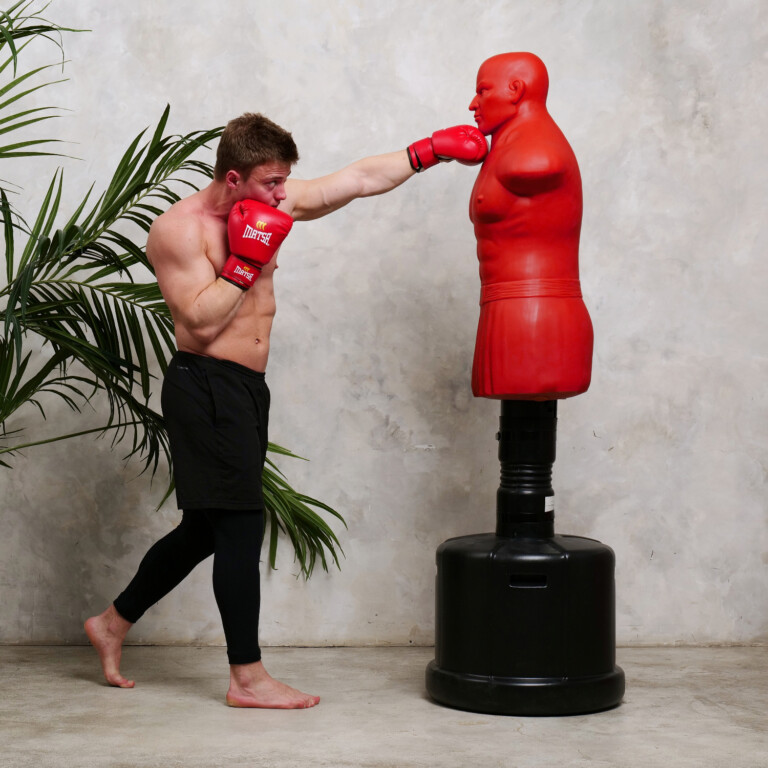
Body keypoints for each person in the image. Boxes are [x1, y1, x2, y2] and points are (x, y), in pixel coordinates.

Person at [84, 113, 487, 709]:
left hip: (247, 388)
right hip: (205, 386)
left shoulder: (269, 201)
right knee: (241, 526)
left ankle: (112, 623)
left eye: (284, 182)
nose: (282, 195)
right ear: (234, 177)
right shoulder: (178, 230)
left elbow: (354, 180)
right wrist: (245, 262)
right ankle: (246, 678)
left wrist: (428, 151)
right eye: (272, 183)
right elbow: (198, 321)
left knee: (206, 529)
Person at [468, 52, 593, 400]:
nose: (473, 104)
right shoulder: (506, 146)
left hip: (538, 312)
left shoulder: (535, 145)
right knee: (513, 423)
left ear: (516, 90)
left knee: (526, 423)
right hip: (502, 309)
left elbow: (541, 164)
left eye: (482, 91)